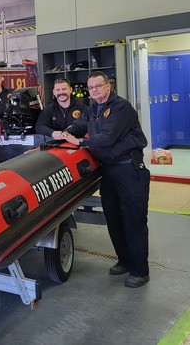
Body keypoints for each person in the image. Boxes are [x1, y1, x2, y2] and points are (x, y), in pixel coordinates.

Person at [61, 71, 150, 288]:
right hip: (108, 170)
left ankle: (140, 270)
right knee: (114, 218)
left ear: (108, 86)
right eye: (90, 88)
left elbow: (107, 137)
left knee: (133, 220)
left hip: (129, 170)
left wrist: (80, 141)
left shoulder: (121, 107)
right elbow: (79, 125)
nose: (94, 91)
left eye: (98, 86)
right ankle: (125, 261)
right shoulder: (92, 109)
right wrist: (66, 133)